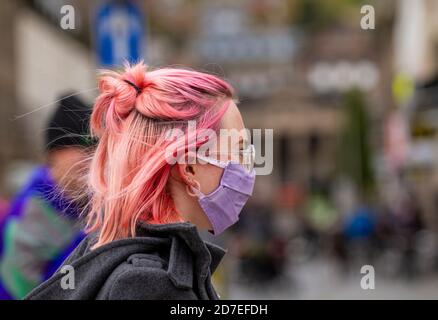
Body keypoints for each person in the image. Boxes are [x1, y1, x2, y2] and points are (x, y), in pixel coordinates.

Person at [26, 62, 256, 300]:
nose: (246, 163)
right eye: (238, 150)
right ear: (189, 168)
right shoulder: (155, 285)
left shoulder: (117, 258)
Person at [0, 94, 94, 299]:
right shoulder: (31, 211)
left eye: (95, 147)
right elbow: (17, 290)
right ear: (54, 153)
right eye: (82, 145)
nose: (91, 156)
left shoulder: (92, 204)